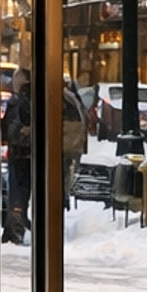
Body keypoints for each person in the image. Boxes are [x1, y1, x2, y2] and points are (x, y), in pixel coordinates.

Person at [1, 67, 32, 243]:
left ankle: (15, 231)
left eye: (16, 79)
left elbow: (10, 128)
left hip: (20, 154)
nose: (13, 82)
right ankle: (17, 226)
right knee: (22, 193)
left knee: (17, 194)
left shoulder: (20, 100)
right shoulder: (32, 97)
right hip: (27, 155)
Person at [61, 75, 88, 205]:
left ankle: (61, 194)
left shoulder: (64, 98)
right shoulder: (73, 98)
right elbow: (83, 119)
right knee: (65, 170)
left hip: (64, 143)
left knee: (61, 169)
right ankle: (64, 193)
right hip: (71, 144)